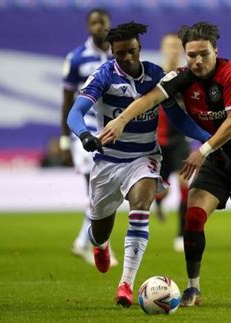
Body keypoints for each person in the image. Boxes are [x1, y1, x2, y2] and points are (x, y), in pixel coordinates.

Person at [100, 22, 231, 307]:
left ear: (215, 51)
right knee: (193, 216)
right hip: (218, 160)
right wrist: (121, 120)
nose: (197, 61)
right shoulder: (182, 78)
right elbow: (150, 99)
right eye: (191, 55)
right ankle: (192, 289)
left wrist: (203, 150)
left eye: (203, 55)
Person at [67, 22, 211, 307]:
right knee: (99, 229)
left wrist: (210, 138)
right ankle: (100, 245)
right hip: (107, 162)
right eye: (121, 54)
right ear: (113, 52)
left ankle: (126, 284)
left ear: (140, 48)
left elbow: (178, 118)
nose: (128, 58)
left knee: (141, 204)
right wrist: (84, 135)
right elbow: (75, 112)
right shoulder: (103, 77)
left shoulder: (155, 75)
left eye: (132, 51)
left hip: (144, 158)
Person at [59, 8, 117, 266]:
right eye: (94, 23)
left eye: (102, 22)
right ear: (88, 27)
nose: (98, 27)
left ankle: (83, 241)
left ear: (109, 24)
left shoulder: (120, 55)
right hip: (84, 132)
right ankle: (99, 245)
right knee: (97, 190)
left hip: (111, 131)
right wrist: (64, 137)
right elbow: (66, 101)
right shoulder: (76, 58)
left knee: (103, 191)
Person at [154, 33, 190, 252]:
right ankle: (158, 202)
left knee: (186, 186)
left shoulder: (187, 77)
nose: (174, 50)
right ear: (162, 49)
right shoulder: (154, 75)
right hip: (157, 143)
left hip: (179, 141)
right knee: (160, 190)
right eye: (170, 46)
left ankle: (181, 234)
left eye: (178, 46)